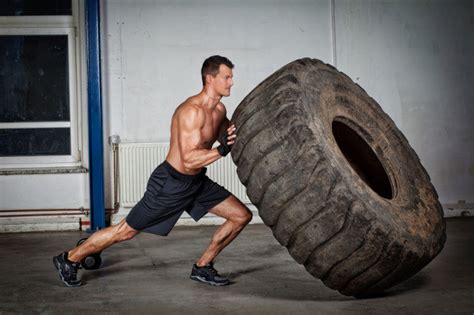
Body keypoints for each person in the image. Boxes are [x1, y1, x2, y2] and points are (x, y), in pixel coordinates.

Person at [53, 55, 252, 287]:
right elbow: (189, 160)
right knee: (125, 231)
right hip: (170, 183)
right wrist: (221, 151)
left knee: (241, 216)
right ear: (210, 78)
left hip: (196, 183)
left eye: (231, 77)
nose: (231, 82)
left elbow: (225, 135)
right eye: (226, 77)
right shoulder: (191, 112)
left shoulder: (219, 109)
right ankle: (69, 258)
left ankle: (202, 266)